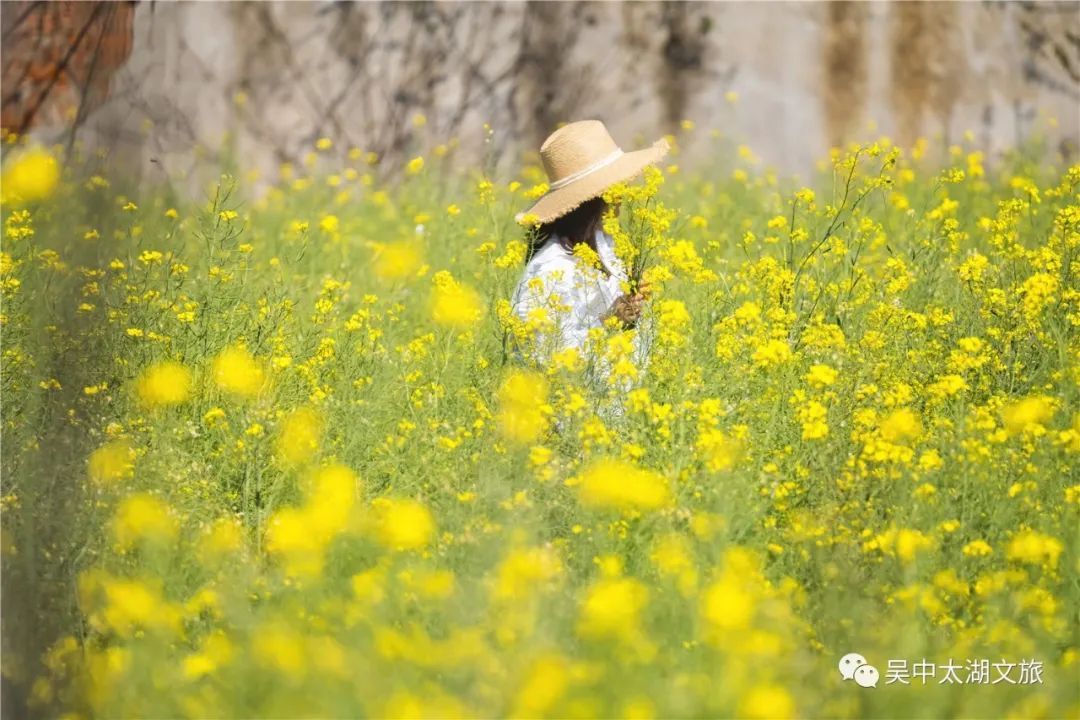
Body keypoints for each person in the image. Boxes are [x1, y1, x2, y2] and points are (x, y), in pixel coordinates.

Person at [509, 120, 670, 393]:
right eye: (614, 186)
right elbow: (543, 361)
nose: (623, 193)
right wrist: (611, 323)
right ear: (591, 200)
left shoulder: (601, 243)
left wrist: (635, 301)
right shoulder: (551, 269)